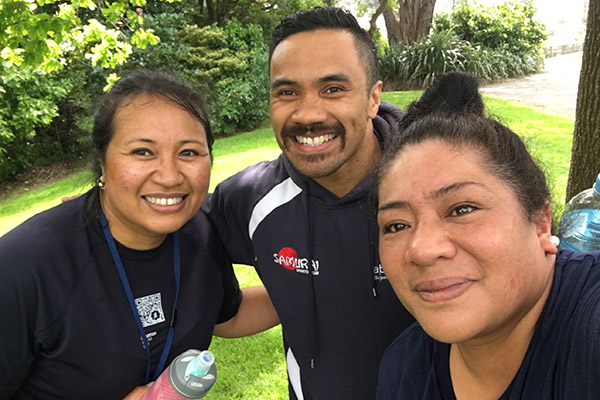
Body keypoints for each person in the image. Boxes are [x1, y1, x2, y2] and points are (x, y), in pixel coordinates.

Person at [0, 70, 278, 400]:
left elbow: (227, 317)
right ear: (102, 162)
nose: (170, 176)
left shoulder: (200, 233)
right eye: (142, 152)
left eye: (188, 152)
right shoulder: (23, 265)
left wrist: (320, 282)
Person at [202, 7, 415, 400]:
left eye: (333, 89)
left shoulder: (434, 187)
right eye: (287, 92)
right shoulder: (252, 198)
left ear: (373, 98)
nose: (308, 114)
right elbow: (168, 233)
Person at [374, 71, 600, 399]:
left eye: (462, 209)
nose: (421, 249)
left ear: (540, 222)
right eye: (397, 225)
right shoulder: (404, 368)